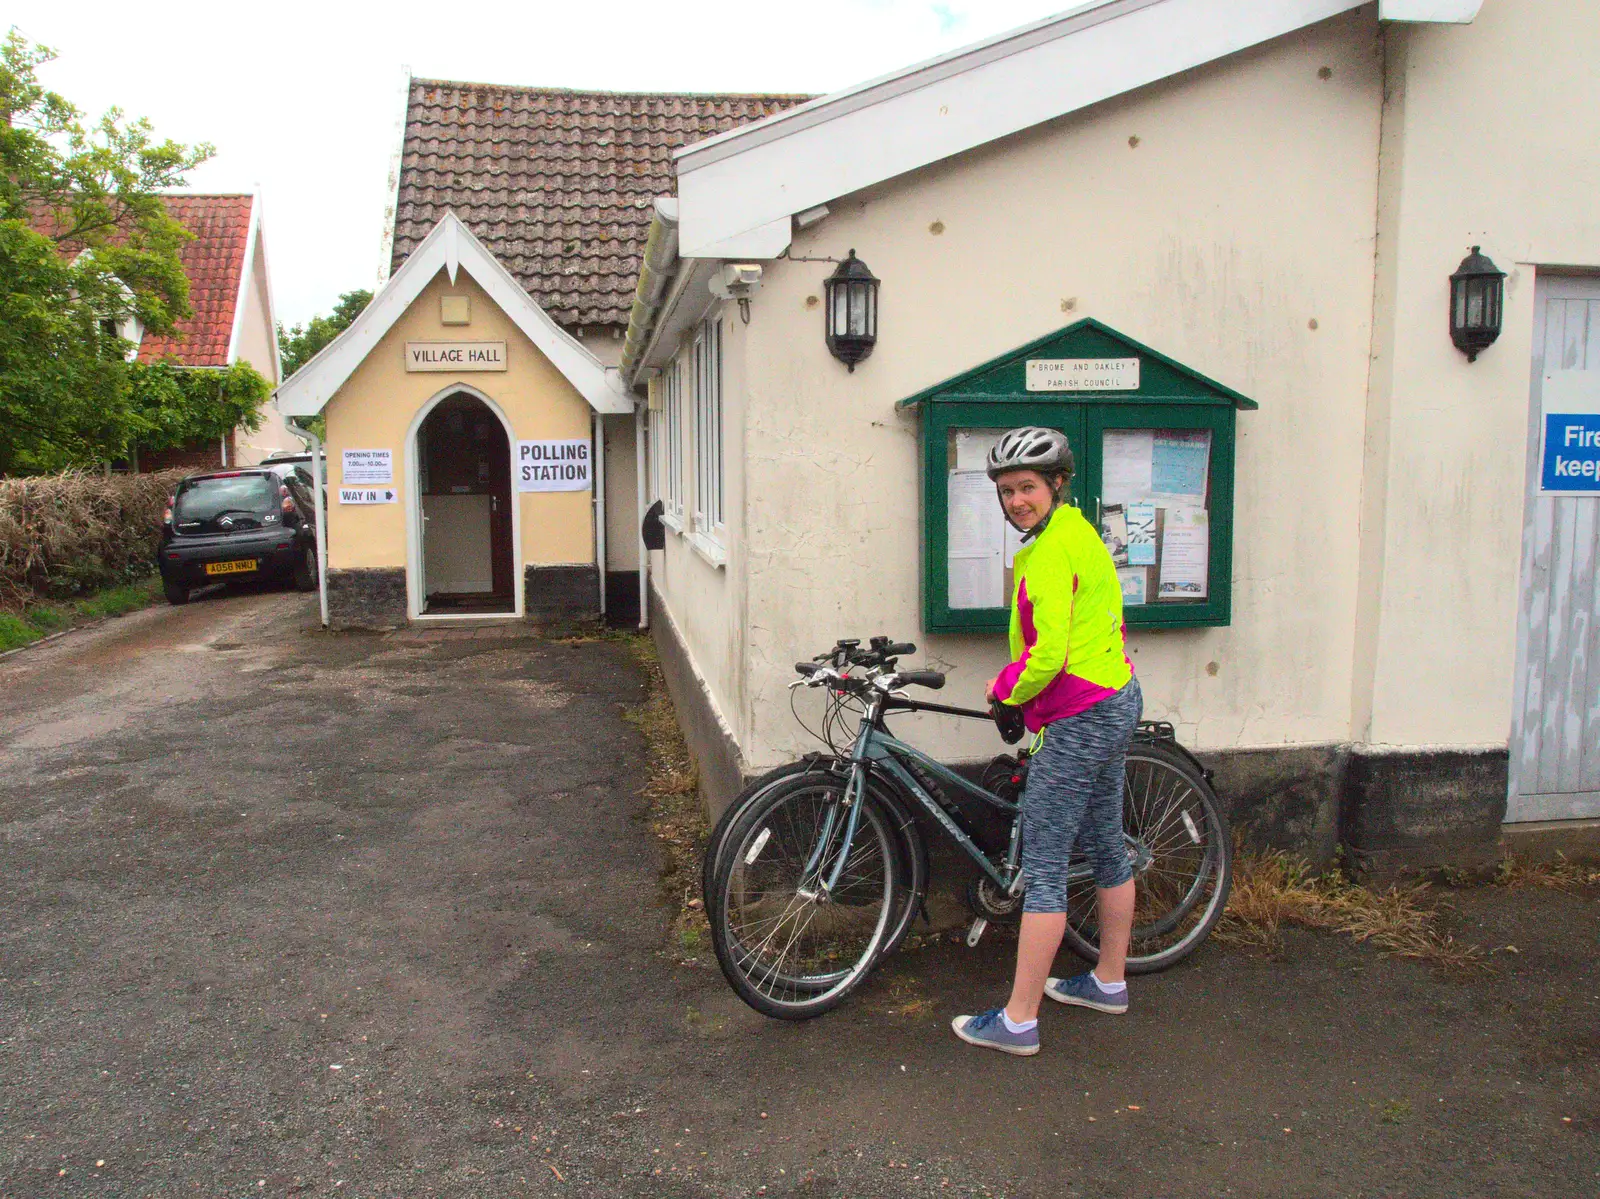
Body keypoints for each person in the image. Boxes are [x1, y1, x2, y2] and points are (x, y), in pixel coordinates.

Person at [951, 426, 1143, 1057]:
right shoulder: (1073, 531)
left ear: (1057, 483)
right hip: (1113, 696)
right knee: (1106, 840)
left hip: (1082, 713)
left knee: (1045, 864)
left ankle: (1018, 1020)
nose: (1015, 502)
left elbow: (1049, 653)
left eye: (1027, 488)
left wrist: (1005, 688)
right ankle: (1108, 982)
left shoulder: (1052, 550)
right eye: (1006, 492)